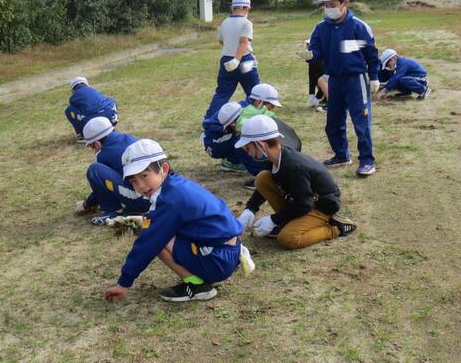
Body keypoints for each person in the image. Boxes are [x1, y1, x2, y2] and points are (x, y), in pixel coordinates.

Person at [104, 139, 255, 303]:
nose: (140, 185)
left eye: (144, 176)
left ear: (164, 169)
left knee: (155, 239)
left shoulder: (170, 200)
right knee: (155, 230)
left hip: (218, 260)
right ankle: (207, 268)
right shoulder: (175, 185)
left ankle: (197, 286)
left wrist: (124, 283)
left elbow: (148, 242)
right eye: (133, 181)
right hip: (227, 248)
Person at [234, 115, 356, 249]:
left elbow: (305, 205)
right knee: (262, 178)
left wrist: (274, 219)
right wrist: (250, 209)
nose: (248, 153)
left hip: (320, 207)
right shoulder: (275, 157)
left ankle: (335, 228)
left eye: (248, 148)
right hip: (303, 201)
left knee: (287, 239)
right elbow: (268, 184)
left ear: (261, 145)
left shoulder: (294, 167)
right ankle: (289, 222)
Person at [298, 0, 380, 177]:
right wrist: (311, 56)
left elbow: (371, 53)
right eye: (326, 5)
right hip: (334, 80)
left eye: (333, 5)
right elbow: (317, 51)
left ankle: (367, 161)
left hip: (356, 80)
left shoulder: (358, 26)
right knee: (333, 123)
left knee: (361, 123)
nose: (329, 9)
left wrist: (374, 77)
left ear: (345, 3)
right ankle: (341, 155)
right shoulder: (320, 28)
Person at [73, 117, 150, 225]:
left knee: (94, 170)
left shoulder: (102, 154)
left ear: (97, 143)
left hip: (141, 200)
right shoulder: (129, 138)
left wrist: (87, 204)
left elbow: (100, 185)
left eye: (91, 146)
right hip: (155, 194)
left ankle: (112, 211)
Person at [203, 0, 260, 120]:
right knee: (254, 91)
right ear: (246, 8)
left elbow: (221, 40)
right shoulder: (246, 23)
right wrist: (237, 59)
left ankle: (209, 119)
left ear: (232, 8)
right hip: (245, 60)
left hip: (226, 60)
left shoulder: (224, 23)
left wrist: (231, 50)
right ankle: (256, 116)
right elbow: (244, 42)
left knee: (222, 92)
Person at [64, 76, 118, 143]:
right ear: (86, 84)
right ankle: (112, 121)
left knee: (68, 110)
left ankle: (81, 135)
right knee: (111, 100)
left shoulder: (73, 97)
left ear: (73, 89)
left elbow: (73, 110)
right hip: (109, 116)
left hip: (92, 120)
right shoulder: (94, 90)